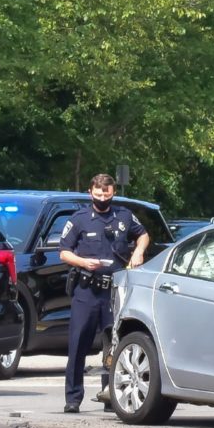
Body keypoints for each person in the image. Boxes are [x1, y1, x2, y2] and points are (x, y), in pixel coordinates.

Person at [56, 174, 149, 414]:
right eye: (98, 194)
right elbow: (64, 252)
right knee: (78, 345)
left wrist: (138, 252)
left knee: (115, 344)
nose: (102, 198)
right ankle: (73, 398)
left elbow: (143, 234)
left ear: (113, 192)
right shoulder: (79, 219)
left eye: (107, 194)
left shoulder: (124, 216)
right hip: (86, 290)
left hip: (114, 291)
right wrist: (83, 262)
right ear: (90, 193)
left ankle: (111, 395)